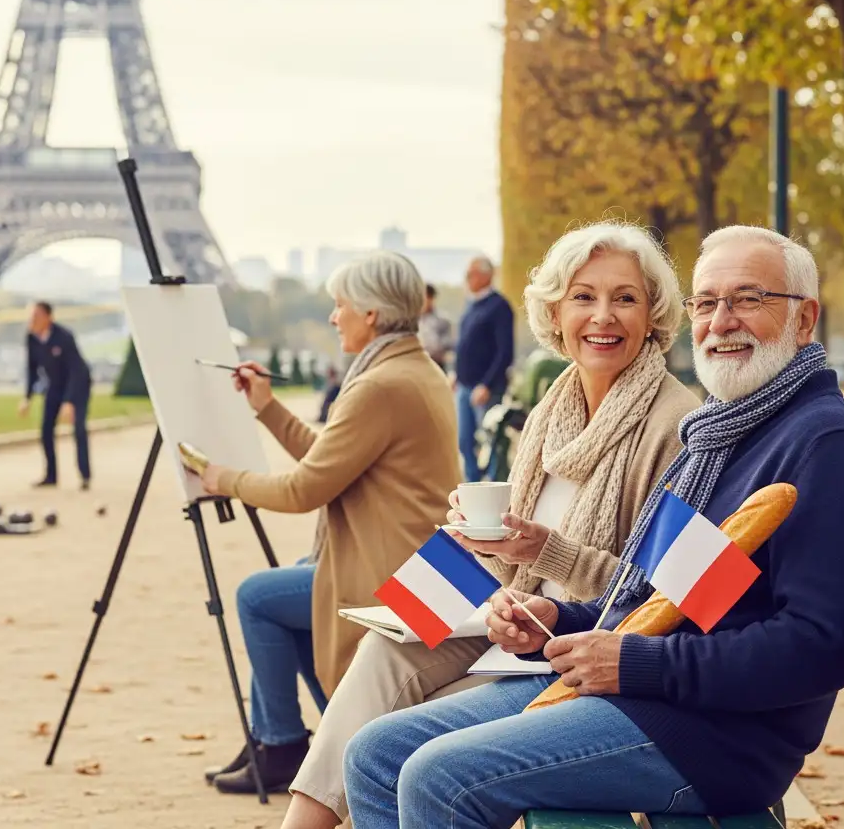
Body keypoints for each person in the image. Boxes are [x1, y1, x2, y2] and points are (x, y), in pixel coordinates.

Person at [342, 225, 844, 828]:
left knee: (436, 775)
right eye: (706, 302)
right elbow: (666, 600)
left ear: (805, 319)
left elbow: (817, 650)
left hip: (714, 736)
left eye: (748, 298)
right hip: (638, 689)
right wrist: (563, 617)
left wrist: (631, 662)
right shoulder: (720, 431)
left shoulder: (823, 444)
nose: (722, 319)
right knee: (375, 752)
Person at [279, 221, 700, 829]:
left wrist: (549, 551)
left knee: (393, 737)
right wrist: (457, 556)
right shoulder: (554, 407)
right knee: (384, 645)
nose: (602, 316)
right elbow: (510, 558)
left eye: (625, 298)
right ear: (555, 312)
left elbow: (662, 600)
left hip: (570, 648)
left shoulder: (674, 425)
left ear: (653, 315)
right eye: (584, 296)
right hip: (512, 621)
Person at [189, 250, 461, 796]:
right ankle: (293, 739)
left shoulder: (379, 385)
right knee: (284, 589)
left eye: (340, 306)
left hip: (393, 577)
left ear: (372, 314)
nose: (334, 317)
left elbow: (305, 488)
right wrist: (268, 408)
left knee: (257, 597)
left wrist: (222, 478)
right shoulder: (414, 368)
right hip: (428, 569)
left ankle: (285, 745)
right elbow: (333, 462)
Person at [18, 301, 93, 490]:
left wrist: (69, 402)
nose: (32, 320)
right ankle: (51, 475)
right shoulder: (31, 338)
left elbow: (75, 371)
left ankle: (85, 475)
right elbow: (31, 369)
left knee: (78, 429)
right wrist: (27, 398)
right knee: (45, 429)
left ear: (48, 318)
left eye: (36, 316)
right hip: (54, 385)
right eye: (31, 316)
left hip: (78, 384)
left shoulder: (64, 337)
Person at [453, 256, 514, 481]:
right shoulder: (471, 305)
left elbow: (504, 352)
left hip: (485, 388)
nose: (467, 279)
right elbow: (463, 345)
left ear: (486, 276)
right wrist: (456, 375)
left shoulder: (499, 307)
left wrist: (487, 384)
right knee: (464, 441)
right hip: (464, 386)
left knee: (492, 442)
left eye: (471, 274)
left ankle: (495, 490)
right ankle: (472, 489)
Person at [417, 283, 452, 370]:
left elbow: (447, 343)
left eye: (427, 298)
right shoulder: (413, 319)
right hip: (417, 364)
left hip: (436, 364)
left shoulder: (442, 319)